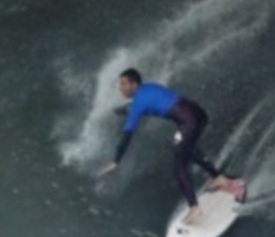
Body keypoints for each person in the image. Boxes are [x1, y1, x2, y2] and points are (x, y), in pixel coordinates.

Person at [98, 68, 245, 224]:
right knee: (188, 149)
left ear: (134, 84)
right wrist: (119, 110)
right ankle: (219, 178)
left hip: (188, 121)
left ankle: (195, 208)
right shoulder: (149, 88)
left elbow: (127, 134)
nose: (120, 88)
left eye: (123, 84)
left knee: (179, 166)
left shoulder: (138, 104)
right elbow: (143, 102)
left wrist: (116, 161)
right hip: (198, 113)